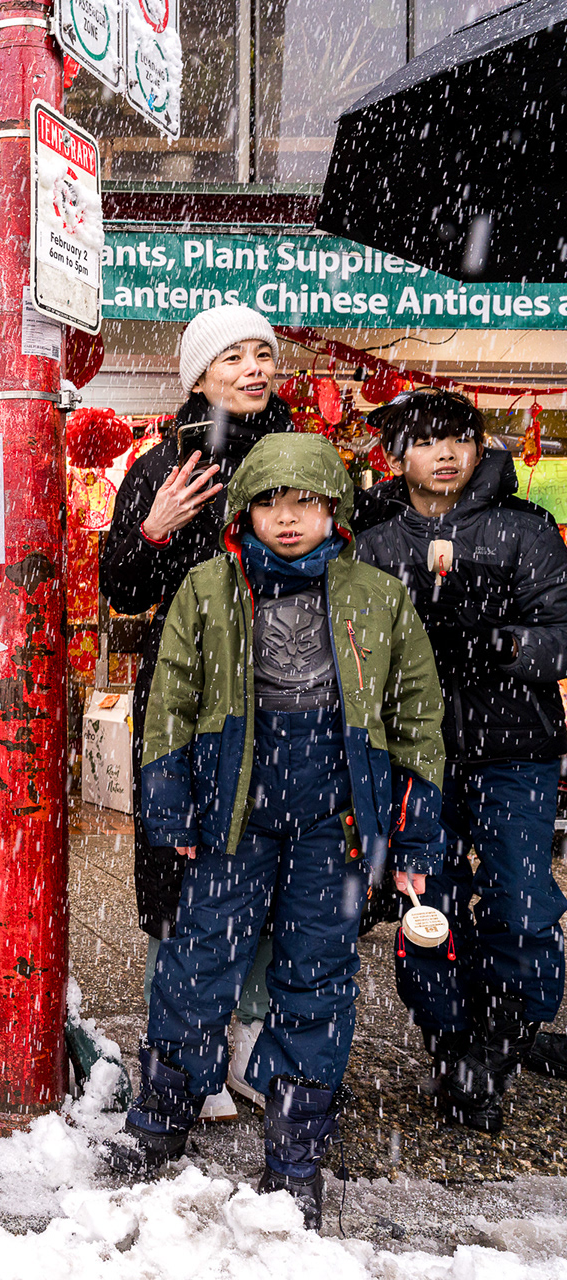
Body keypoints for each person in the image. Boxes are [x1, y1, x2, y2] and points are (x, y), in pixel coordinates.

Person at [113, 433, 446, 1231]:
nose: (287, 517)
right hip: (233, 817)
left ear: (334, 507)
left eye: (304, 500)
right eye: (268, 501)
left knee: (318, 983)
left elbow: (417, 720)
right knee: (195, 968)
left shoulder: (377, 595)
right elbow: (171, 709)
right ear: (243, 510)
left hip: (333, 824)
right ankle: (159, 1122)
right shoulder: (206, 588)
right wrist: (169, 810)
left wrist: (414, 844)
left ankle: (296, 1154)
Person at [353, 390, 567, 1133]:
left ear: (478, 450)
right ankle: (449, 1042)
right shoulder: (377, 541)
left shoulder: (525, 529)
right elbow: (356, 649)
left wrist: (497, 643)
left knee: (520, 900)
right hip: (417, 755)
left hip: (516, 749)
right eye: (427, 440)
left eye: (460, 439)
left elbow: (560, 636)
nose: (445, 453)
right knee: (426, 901)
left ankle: (505, 1038)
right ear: (398, 455)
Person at [99, 303, 293, 1115]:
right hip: (183, 692)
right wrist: (151, 529)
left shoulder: (299, 459)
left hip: (285, 689)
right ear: (198, 377)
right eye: (233, 358)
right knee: (179, 865)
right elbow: (119, 586)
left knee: (270, 863)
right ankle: (181, 1042)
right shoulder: (162, 464)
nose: (253, 368)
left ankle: (248, 1036)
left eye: (263, 354)